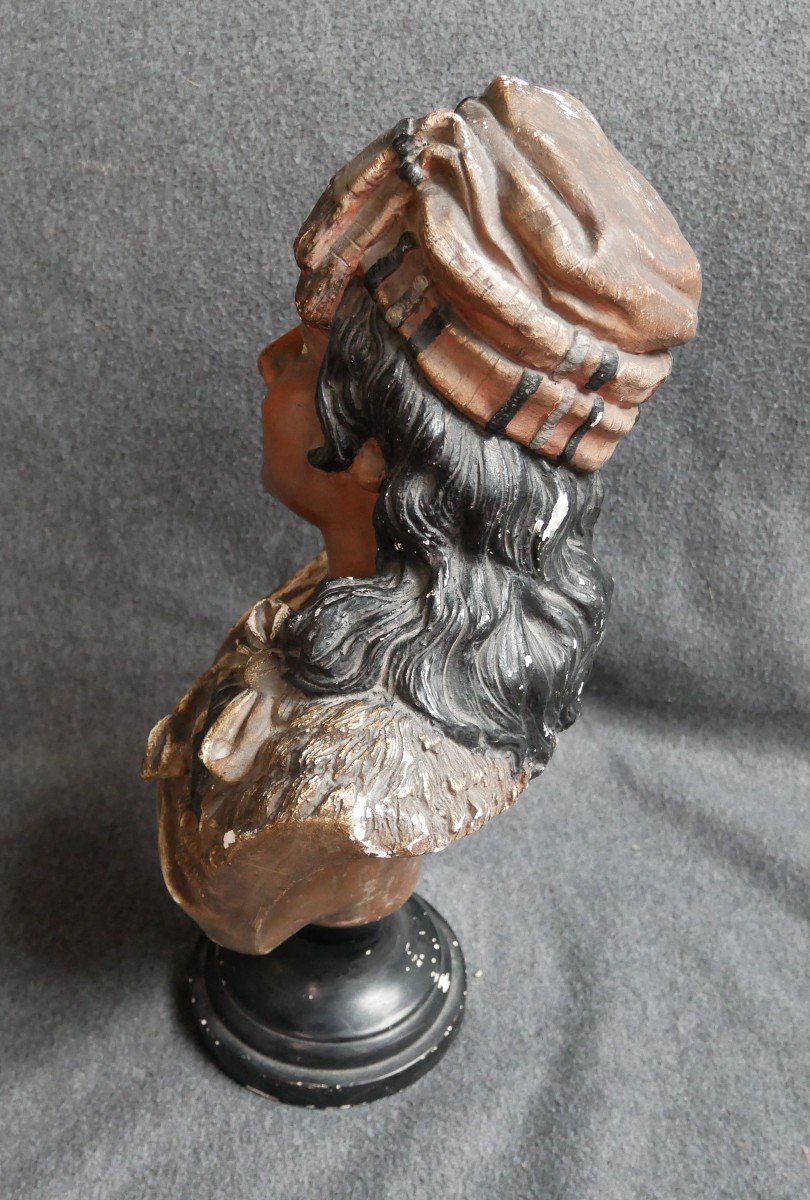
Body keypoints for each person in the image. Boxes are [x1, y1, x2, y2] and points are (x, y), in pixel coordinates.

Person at [142, 77, 701, 954]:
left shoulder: (346, 786)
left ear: (382, 451)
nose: (268, 361)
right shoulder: (347, 598)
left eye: (307, 356)